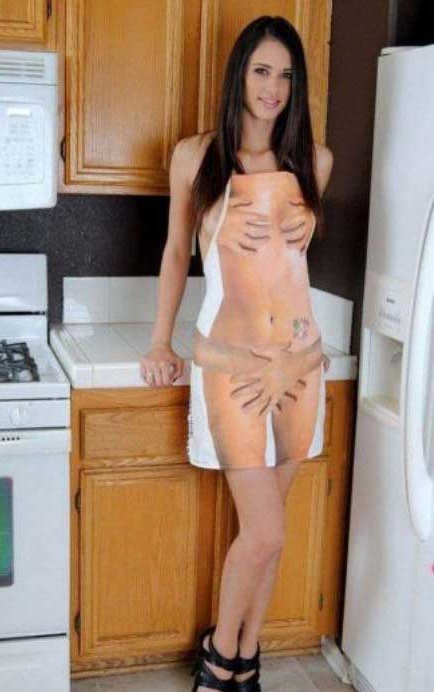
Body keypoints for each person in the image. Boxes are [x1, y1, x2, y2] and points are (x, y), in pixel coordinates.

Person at [140, 15, 334, 692]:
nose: (273, 87)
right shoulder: (197, 156)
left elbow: (288, 272)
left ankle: (248, 654)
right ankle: (219, 654)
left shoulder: (315, 163)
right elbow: (176, 253)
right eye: (261, 70)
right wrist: (159, 340)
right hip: (232, 367)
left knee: (269, 530)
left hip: (300, 367)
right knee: (266, 531)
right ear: (239, 75)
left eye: (286, 75)